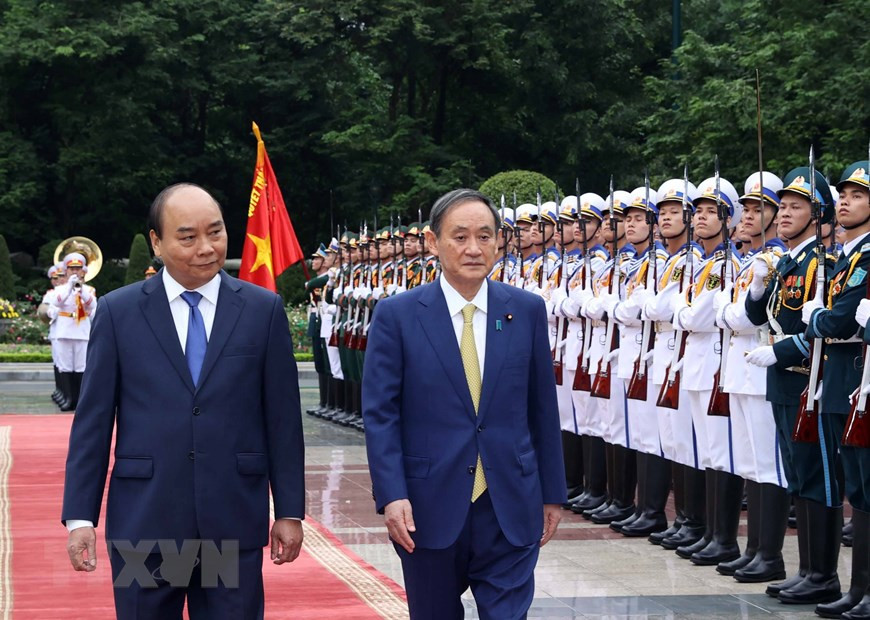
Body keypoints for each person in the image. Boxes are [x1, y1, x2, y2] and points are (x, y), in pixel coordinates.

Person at [61, 182, 305, 620]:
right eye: (188, 237)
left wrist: (289, 510)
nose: (207, 248)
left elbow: (283, 420)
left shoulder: (260, 310)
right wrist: (81, 517)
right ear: (157, 242)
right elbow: (93, 423)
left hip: (229, 522)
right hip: (146, 524)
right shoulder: (120, 313)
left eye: (216, 232)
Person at [362, 188, 566, 619]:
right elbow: (380, 414)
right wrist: (391, 493)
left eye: (485, 236)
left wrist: (552, 493)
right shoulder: (397, 315)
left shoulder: (526, 310)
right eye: (460, 237)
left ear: (499, 242)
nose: (474, 248)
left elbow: (542, 409)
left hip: (508, 501)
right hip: (427, 506)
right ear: (433, 243)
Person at [49, 252, 98, 411]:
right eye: (71, 268)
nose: (75, 271)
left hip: (81, 330)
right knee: (65, 366)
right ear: (66, 270)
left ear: (83, 271)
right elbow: (57, 302)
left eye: (78, 268)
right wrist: (69, 287)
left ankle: (79, 399)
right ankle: (69, 398)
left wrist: (80, 289)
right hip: (64, 330)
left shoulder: (89, 289)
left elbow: (92, 305)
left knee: (81, 366)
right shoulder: (61, 289)